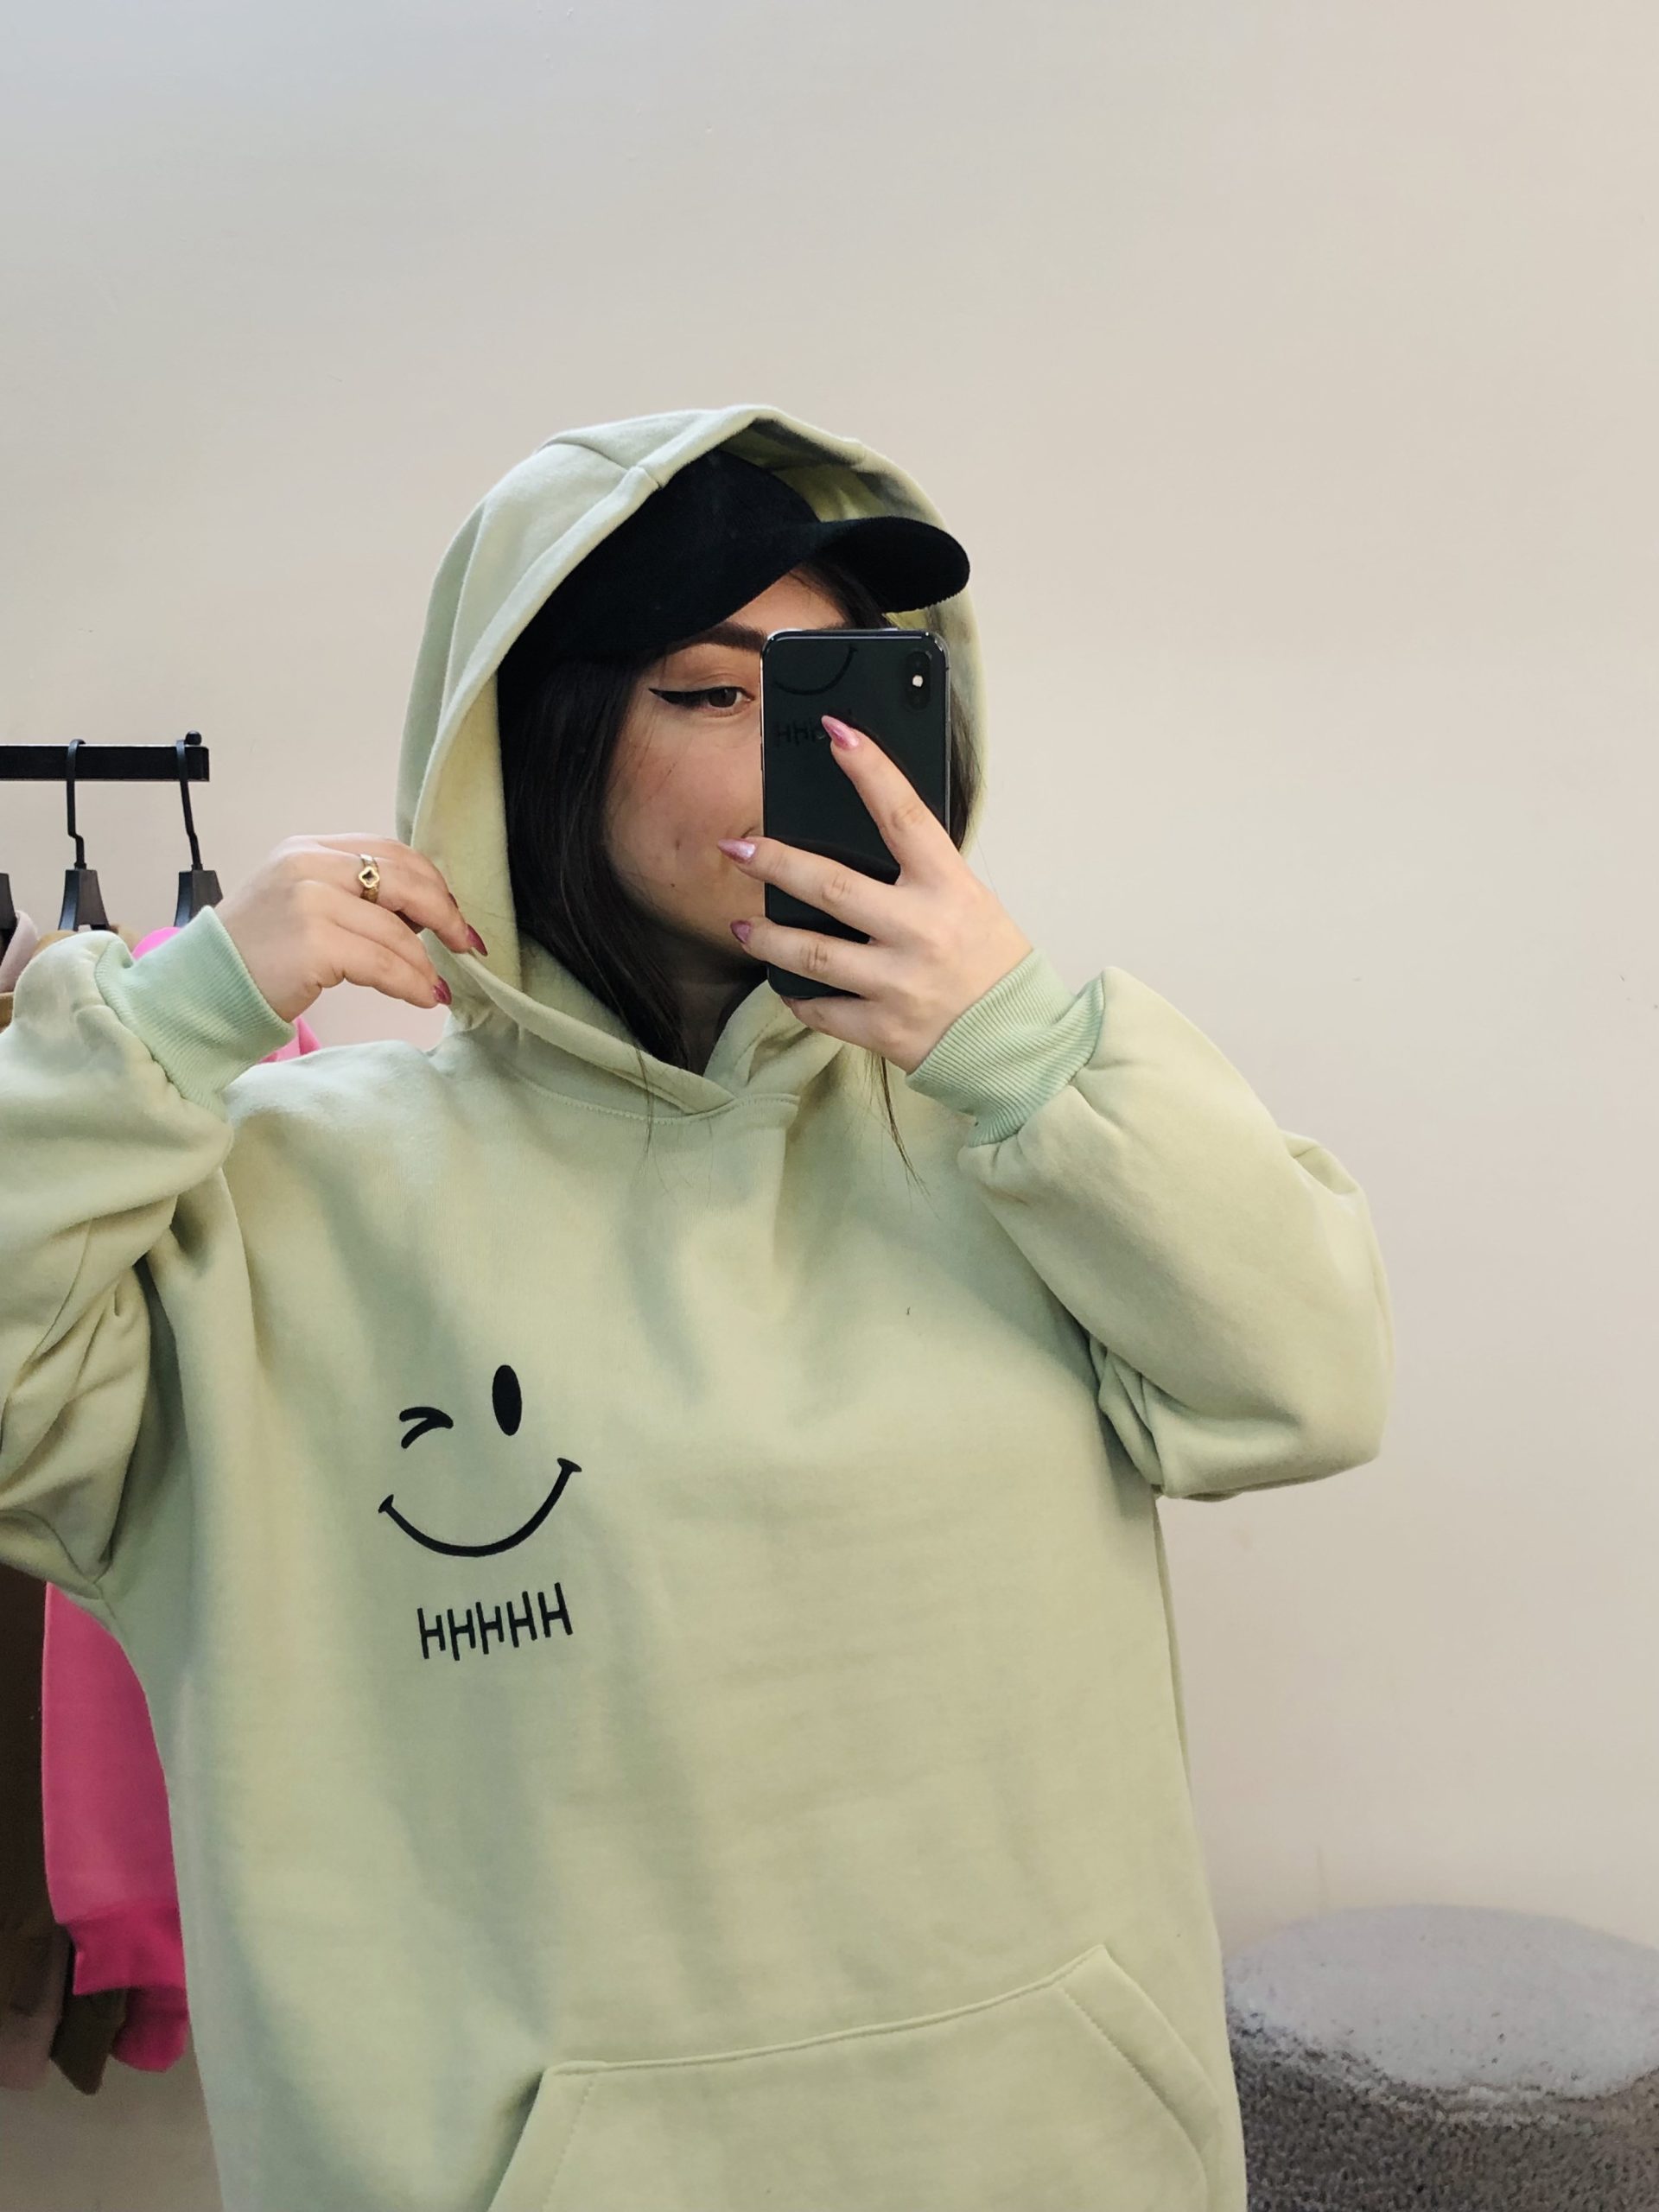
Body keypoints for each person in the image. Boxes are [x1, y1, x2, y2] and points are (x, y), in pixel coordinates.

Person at [0, 404, 1394, 2212]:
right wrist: (168, 1019)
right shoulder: (273, 1197)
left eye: (844, 689)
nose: (800, 747)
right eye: (712, 690)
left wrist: (1020, 1050)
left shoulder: (1031, 1131)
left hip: (1049, 2154)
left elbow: (1313, 1379)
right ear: (542, 735)